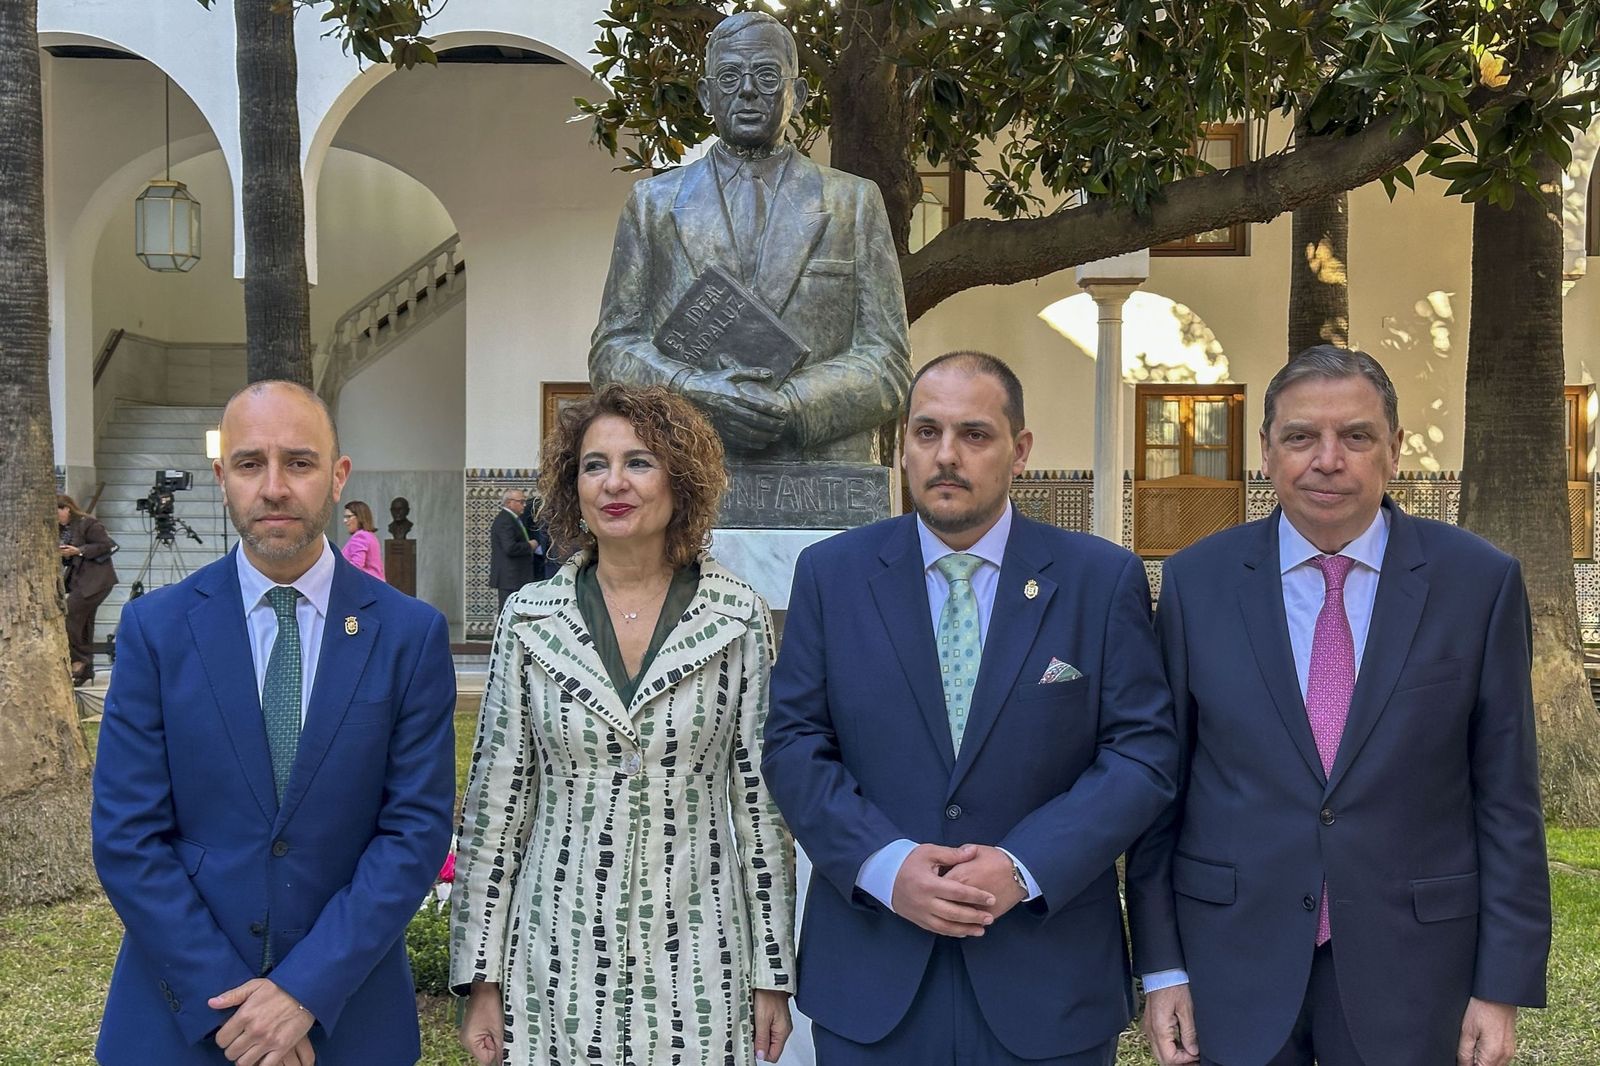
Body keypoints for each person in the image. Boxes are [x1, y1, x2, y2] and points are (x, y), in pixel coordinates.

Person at [1126, 345, 1550, 1066]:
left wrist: (1501, 985)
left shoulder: (1477, 583)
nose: (1328, 459)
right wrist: (1162, 967)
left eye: (1355, 436)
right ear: (1265, 451)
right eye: (1300, 437)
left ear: (1396, 450)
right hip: (1232, 963)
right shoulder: (1197, 584)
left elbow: (1507, 799)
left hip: (1417, 974)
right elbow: (1161, 791)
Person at [762, 351, 1178, 1065]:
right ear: (903, 446)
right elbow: (795, 743)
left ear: (1019, 451)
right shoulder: (832, 575)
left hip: (1048, 985)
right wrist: (885, 865)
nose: (946, 456)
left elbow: (1141, 755)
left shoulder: (1097, 579)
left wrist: (1023, 865)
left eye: (974, 435)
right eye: (926, 433)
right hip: (874, 981)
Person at [91, 380, 457, 1065]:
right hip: (182, 1021)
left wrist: (301, 994)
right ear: (222, 476)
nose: (275, 487)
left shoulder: (409, 635)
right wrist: (234, 1002)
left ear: (338, 475)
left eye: (300, 462)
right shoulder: (157, 630)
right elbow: (127, 836)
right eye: (250, 463)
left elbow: (413, 832)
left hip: (346, 1022)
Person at [451, 383, 796, 1066]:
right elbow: (496, 809)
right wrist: (481, 979)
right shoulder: (530, 620)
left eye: (639, 462)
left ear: (680, 479)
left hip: (699, 957)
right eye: (594, 465)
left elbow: (762, 811)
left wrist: (771, 977)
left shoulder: (737, 618)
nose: (615, 483)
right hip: (555, 958)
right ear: (570, 486)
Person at [590, 10, 910, 462]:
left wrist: (792, 404)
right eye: (728, 77)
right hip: (690, 477)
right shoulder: (653, 203)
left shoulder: (853, 203)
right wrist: (694, 391)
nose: (745, 90)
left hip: (822, 477)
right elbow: (611, 352)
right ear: (705, 95)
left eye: (765, 75)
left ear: (796, 95)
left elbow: (888, 362)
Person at [57, 493, 117, 685]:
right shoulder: (64, 529)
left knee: (70, 615)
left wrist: (79, 550)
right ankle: (86, 670)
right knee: (84, 622)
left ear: (67, 508)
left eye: (58, 511)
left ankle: (79, 660)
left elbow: (106, 545)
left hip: (96, 580)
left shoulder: (88, 523)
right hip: (80, 580)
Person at [488, 487, 539, 609]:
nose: (524, 505)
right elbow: (510, 547)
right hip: (510, 578)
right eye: (521, 502)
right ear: (509, 502)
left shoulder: (513, 519)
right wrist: (530, 545)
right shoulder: (505, 520)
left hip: (516, 576)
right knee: (508, 611)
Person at [339, 499, 385, 581]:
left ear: (359, 517)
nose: (345, 521)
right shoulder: (370, 536)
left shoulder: (360, 536)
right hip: (375, 585)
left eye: (348, 517)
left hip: (365, 587)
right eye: (344, 517)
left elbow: (355, 566)